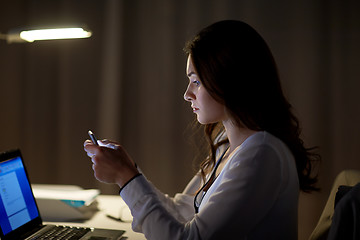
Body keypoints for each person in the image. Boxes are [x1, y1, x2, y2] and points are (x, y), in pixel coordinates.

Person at [84, 20, 320, 240]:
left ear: (230, 80)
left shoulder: (261, 154)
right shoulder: (227, 142)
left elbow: (188, 238)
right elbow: (183, 210)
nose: (187, 94)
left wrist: (126, 178)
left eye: (196, 81)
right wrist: (129, 170)